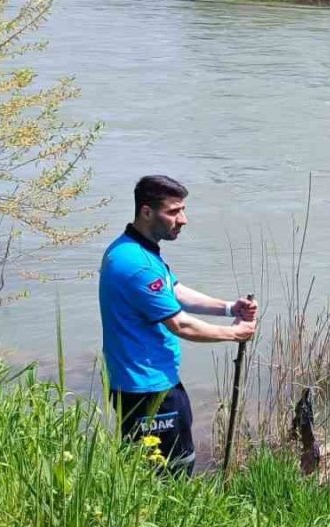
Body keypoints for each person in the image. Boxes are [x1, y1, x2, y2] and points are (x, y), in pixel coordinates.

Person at [99, 175, 257, 475]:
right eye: (173, 212)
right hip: (147, 390)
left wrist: (228, 308)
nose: (183, 220)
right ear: (146, 212)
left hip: (146, 382)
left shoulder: (133, 249)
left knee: (154, 467)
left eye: (182, 210)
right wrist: (235, 333)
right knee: (169, 472)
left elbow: (175, 292)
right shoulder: (137, 264)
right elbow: (180, 325)